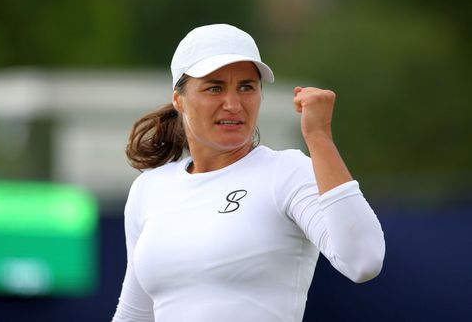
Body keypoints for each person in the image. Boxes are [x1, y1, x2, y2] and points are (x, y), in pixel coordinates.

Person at [112, 23, 385, 322]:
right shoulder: (149, 188)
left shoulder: (287, 172)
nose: (233, 104)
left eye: (246, 87)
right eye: (214, 87)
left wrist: (319, 136)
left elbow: (363, 260)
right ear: (179, 100)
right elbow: (135, 315)